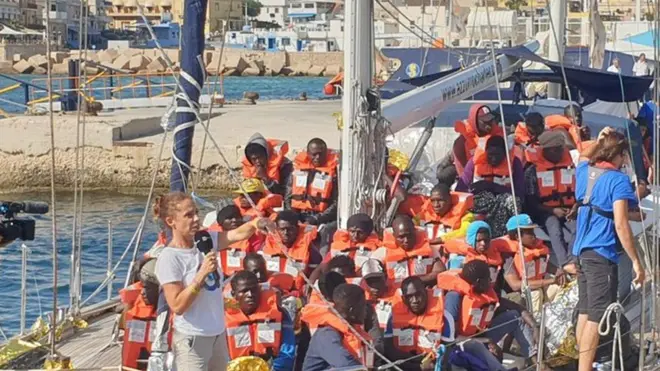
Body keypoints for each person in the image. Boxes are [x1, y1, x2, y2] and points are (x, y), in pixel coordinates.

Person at [153, 192, 268, 371]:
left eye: (196, 213)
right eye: (188, 215)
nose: (196, 219)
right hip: (193, 340)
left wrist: (256, 223)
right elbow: (177, 305)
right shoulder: (169, 258)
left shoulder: (205, 240)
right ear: (171, 221)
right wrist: (201, 274)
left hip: (217, 334)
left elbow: (236, 234)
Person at [573, 128, 645, 371]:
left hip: (582, 252)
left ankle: (582, 364)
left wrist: (600, 138)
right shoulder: (618, 180)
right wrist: (636, 261)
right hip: (601, 253)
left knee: (585, 310)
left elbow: (583, 154)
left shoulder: (585, 173)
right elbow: (620, 223)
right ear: (621, 155)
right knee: (597, 314)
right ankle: (584, 369)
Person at [438, 260, 538, 359]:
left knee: (515, 316)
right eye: (488, 278)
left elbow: (516, 307)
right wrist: (486, 341)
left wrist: (534, 326)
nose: (491, 280)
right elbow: (451, 339)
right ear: (478, 282)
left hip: (483, 337)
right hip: (461, 345)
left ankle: (535, 361)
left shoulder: (485, 292)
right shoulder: (453, 298)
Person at [523, 131, 578, 274]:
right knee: (554, 229)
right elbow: (531, 202)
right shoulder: (532, 171)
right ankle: (564, 262)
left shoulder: (570, 166)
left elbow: (578, 192)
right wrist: (552, 210)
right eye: (558, 149)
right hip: (544, 212)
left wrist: (575, 206)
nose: (562, 152)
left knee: (578, 227)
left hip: (568, 209)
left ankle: (572, 259)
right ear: (547, 150)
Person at [225, 270, 296, 370]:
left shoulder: (280, 313)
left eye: (254, 290)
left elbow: (288, 351)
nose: (250, 294)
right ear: (234, 294)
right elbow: (219, 356)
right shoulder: (223, 318)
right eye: (244, 291)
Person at [494, 214, 563, 313]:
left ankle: (553, 317)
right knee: (536, 293)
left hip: (539, 286)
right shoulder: (508, 255)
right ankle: (536, 322)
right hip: (519, 297)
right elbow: (515, 285)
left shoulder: (533, 248)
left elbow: (542, 264)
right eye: (530, 233)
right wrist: (550, 281)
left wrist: (559, 272)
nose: (534, 236)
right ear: (517, 236)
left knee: (558, 286)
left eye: (533, 232)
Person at [458, 135, 524, 236]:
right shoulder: (474, 163)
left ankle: (504, 235)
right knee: (488, 198)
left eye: (498, 155)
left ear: (505, 153)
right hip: (480, 202)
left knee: (511, 201)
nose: (493, 159)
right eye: (490, 155)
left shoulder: (514, 163)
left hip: (503, 204)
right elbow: (461, 190)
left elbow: (520, 194)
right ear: (485, 152)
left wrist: (492, 186)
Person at [302, 284, 374, 370]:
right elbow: (347, 365)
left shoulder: (354, 332)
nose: (366, 311)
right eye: (363, 306)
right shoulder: (326, 335)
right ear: (352, 311)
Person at [384, 276, 447, 370]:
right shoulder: (392, 318)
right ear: (403, 299)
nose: (415, 300)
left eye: (418, 294)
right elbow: (389, 350)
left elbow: (448, 351)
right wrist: (418, 366)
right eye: (409, 297)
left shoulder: (445, 316)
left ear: (426, 292)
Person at [370, 214, 446, 285]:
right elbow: (370, 271)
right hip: (394, 294)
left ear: (415, 232)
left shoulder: (430, 249)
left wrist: (416, 281)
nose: (406, 240)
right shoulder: (382, 252)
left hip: (420, 292)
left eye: (409, 235)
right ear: (394, 236)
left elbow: (440, 271)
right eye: (401, 237)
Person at [260, 210, 323, 291]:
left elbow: (318, 270)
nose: (286, 233)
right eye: (282, 229)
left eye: (290, 229)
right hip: (271, 290)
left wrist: (308, 286)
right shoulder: (268, 243)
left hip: (295, 293)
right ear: (276, 229)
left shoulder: (309, 247)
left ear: (297, 228)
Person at [398, 183, 475, 246]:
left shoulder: (466, 216)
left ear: (450, 200)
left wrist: (440, 239)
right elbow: (411, 227)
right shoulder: (423, 215)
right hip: (425, 250)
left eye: (440, 200)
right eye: (433, 201)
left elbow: (465, 231)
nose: (436, 205)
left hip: (449, 252)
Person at [285, 137, 339, 227]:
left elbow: (336, 202)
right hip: (298, 216)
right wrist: (294, 218)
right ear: (308, 154)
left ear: (326, 153)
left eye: (320, 154)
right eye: (314, 154)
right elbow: (288, 197)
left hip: (322, 219)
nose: (317, 157)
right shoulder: (297, 170)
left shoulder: (334, 174)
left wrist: (316, 219)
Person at [121, 259, 164, 370]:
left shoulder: (174, 315)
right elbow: (122, 326)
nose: (142, 292)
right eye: (142, 287)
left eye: (146, 288)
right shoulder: (134, 308)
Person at [209, 205, 265, 276]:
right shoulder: (211, 237)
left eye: (237, 217)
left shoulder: (251, 236)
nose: (234, 220)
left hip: (243, 277)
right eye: (229, 218)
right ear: (221, 222)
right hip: (219, 275)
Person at [443, 221, 503, 286]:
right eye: (479, 240)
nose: (483, 244)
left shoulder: (493, 257)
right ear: (471, 239)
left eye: (486, 240)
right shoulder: (458, 258)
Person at [452, 104, 504, 175]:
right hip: (474, 178)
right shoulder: (461, 142)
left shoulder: (499, 135)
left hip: (499, 178)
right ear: (475, 121)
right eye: (485, 121)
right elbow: (462, 173)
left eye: (490, 120)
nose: (489, 124)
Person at [361, 259, 402, 330]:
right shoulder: (360, 298)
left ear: (385, 277)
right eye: (369, 281)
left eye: (377, 280)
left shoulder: (398, 293)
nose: (374, 286)